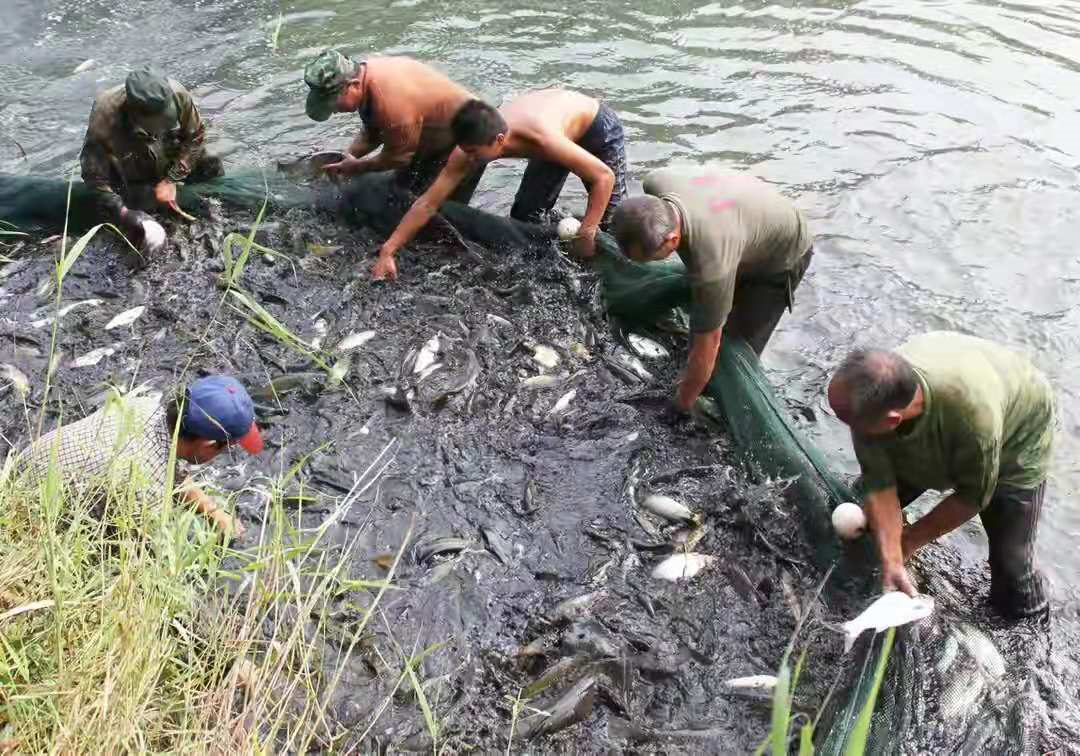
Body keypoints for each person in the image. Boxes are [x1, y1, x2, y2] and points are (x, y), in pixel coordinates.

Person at [827, 332, 1055, 618]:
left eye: (846, 420)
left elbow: (972, 497)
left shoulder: (975, 421)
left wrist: (909, 541)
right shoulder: (871, 394)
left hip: (1018, 431)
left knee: (1012, 566)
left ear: (892, 421)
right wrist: (893, 555)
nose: (845, 425)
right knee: (869, 518)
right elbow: (880, 484)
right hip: (954, 388)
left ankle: (1031, 622)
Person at [611, 167, 813, 411]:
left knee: (735, 346)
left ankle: (727, 405)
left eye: (649, 259)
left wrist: (681, 403)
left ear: (672, 240)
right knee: (712, 307)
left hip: (782, 254)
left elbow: (710, 342)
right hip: (738, 220)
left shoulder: (712, 266)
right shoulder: (656, 181)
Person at [371, 90, 629, 280]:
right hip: (555, 125)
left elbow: (603, 177)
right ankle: (561, 257)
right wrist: (389, 250)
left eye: (474, 152)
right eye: (465, 150)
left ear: (500, 140)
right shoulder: (468, 149)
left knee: (612, 224)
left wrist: (587, 232)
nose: (468, 158)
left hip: (596, 128)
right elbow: (428, 202)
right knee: (526, 216)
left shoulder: (541, 139)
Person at [17, 375, 264, 538]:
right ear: (209, 444)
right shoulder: (145, 494)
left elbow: (171, 472)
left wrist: (215, 514)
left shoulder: (144, 406)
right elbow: (133, 561)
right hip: (29, 517)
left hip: (25, 468)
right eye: (226, 448)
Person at [302, 49, 486, 203]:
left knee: (440, 211)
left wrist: (356, 167)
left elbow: (398, 158)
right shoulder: (366, 75)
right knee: (403, 193)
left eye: (333, 103)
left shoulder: (392, 103)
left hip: (470, 143)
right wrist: (347, 157)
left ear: (353, 85)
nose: (333, 110)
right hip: (431, 136)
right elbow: (372, 131)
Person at [80, 67, 222, 243]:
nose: (164, 123)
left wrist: (171, 179)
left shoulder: (178, 94)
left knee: (211, 161)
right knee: (133, 198)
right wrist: (122, 212)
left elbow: (196, 136)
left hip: (167, 147)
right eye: (159, 121)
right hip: (131, 153)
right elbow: (94, 176)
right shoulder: (105, 115)